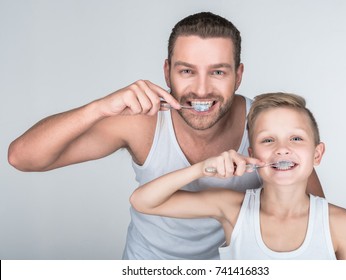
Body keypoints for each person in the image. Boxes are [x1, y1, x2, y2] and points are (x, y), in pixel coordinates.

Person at [8, 12, 324, 259]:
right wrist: (99, 108)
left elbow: (315, 216)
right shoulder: (141, 122)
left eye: (218, 71)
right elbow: (22, 158)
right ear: (166, 71)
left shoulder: (266, 126)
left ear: (238, 75)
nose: (201, 89)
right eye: (187, 71)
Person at [130, 92, 346, 260]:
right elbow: (142, 201)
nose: (282, 148)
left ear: (317, 154)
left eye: (296, 138)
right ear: (252, 154)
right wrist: (201, 169)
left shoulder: (340, 224)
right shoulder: (233, 208)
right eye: (268, 140)